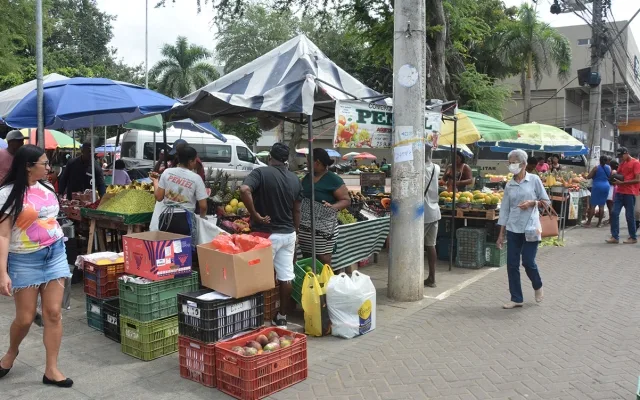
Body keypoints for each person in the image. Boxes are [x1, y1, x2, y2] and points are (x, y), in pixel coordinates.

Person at [0, 145, 72, 387]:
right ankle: (11, 352)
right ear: (28, 166)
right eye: (43, 163)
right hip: (24, 260)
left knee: (53, 313)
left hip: (55, 254)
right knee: (25, 318)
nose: (48, 167)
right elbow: (3, 236)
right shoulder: (7, 193)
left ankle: (51, 369)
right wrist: (2, 273)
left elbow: (50, 218)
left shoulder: (48, 187)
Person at [240, 143, 302, 329]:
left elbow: (244, 190)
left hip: (266, 235)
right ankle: (281, 317)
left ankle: (256, 318)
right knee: (286, 277)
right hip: (288, 233)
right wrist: (295, 231)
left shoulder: (261, 173)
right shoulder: (295, 179)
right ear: (286, 161)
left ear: (269, 158)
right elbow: (297, 209)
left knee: (257, 277)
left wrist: (255, 214)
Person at [497, 149, 550, 309]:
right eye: (510, 162)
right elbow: (505, 210)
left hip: (531, 228)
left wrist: (532, 203)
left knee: (528, 261)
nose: (511, 165)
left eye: (514, 162)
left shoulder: (534, 180)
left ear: (524, 164)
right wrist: (501, 234)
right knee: (512, 264)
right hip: (513, 228)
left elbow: (546, 202)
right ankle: (516, 298)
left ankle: (537, 285)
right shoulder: (509, 184)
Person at [298, 148, 350, 266]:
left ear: (317, 162)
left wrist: (332, 206)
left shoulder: (334, 179)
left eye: (308, 162)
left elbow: (346, 200)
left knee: (323, 257)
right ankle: (311, 282)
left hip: (325, 226)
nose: (307, 165)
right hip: (306, 224)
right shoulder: (307, 177)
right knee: (307, 256)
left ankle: (326, 282)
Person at [150, 146, 207, 238]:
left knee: (167, 248)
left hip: (166, 218)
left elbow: (159, 197)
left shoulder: (167, 172)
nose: (196, 163)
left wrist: (155, 181)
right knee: (182, 249)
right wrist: (202, 218)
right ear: (190, 162)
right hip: (184, 220)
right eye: (195, 160)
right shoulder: (196, 178)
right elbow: (203, 206)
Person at [606, 147, 640, 244]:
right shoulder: (622, 163)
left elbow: (638, 179)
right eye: (619, 156)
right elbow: (618, 174)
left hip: (630, 193)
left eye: (621, 156)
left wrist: (623, 183)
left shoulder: (636, 163)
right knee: (614, 213)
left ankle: (633, 237)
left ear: (626, 153)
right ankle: (615, 237)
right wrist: (614, 176)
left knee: (629, 216)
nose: (620, 158)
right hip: (620, 192)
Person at [423, 151, 441, 288]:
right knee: (431, 245)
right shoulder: (437, 167)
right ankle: (432, 278)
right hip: (435, 210)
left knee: (416, 246)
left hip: (423, 212)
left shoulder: (421, 169)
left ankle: (413, 276)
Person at [584, 156, 611, 228]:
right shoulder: (608, 167)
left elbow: (589, 177)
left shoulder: (596, 168)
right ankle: (599, 223)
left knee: (593, 205)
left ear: (600, 160)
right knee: (601, 205)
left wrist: (585, 175)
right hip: (606, 186)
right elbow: (609, 176)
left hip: (597, 186)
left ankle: (588, 222)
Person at [604, 159, 619, 225]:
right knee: (610, 204)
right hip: (612, 188)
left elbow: (613, 182)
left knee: (610, 205)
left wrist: (607, 179)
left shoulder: (613, 171)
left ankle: (611, 219)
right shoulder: (615, 171)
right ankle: (611, 218)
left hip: (612, 189)